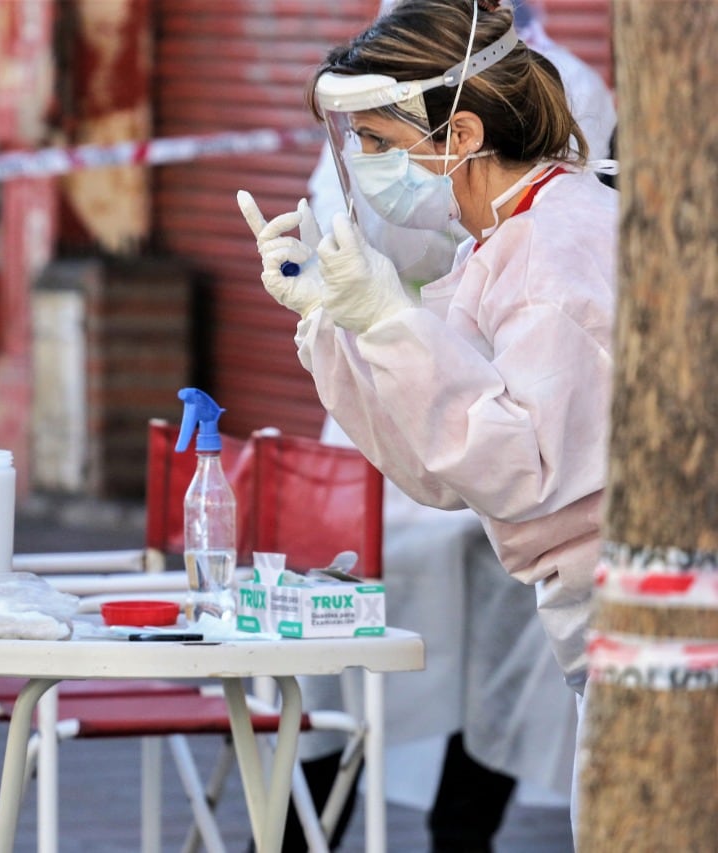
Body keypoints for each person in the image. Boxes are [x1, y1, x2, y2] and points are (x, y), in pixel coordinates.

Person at [238, 0, 616, 845]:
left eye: (376, 141)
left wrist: (383, 318)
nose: (363, 167)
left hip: (648, 622)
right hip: (600, 618)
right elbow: (435, 459)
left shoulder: (558, 252)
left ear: (466, 133)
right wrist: (336, 325)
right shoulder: (501, 239)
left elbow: (517, 466)